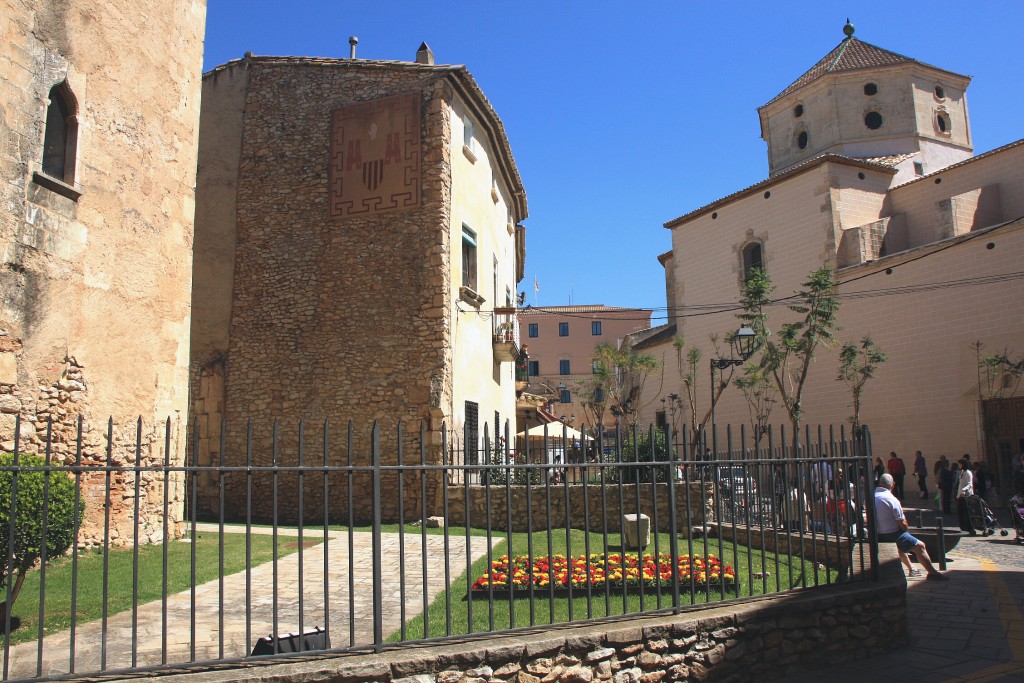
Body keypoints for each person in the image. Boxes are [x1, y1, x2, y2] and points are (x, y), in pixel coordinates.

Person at [874, 473, 948, 580]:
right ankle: (933, 573)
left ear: (880, 483)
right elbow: (903, 525)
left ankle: (912, 568)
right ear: (893, 485)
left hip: (876, 534)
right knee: (920, 546)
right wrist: (904, 526)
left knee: (900, 546)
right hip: (891, 534)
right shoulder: (891, 499)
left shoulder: (872, 496)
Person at [955, 459, 975, 535]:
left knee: (966, 513)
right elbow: (960, 484)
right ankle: (963, 527)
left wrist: (964, 490)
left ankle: (968, 527)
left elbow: (970, 484)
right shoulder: (962, 472)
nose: (959, 465)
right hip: (960, 495)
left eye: (960, 464)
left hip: (966, 496)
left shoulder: (968, 473)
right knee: (961, 512)